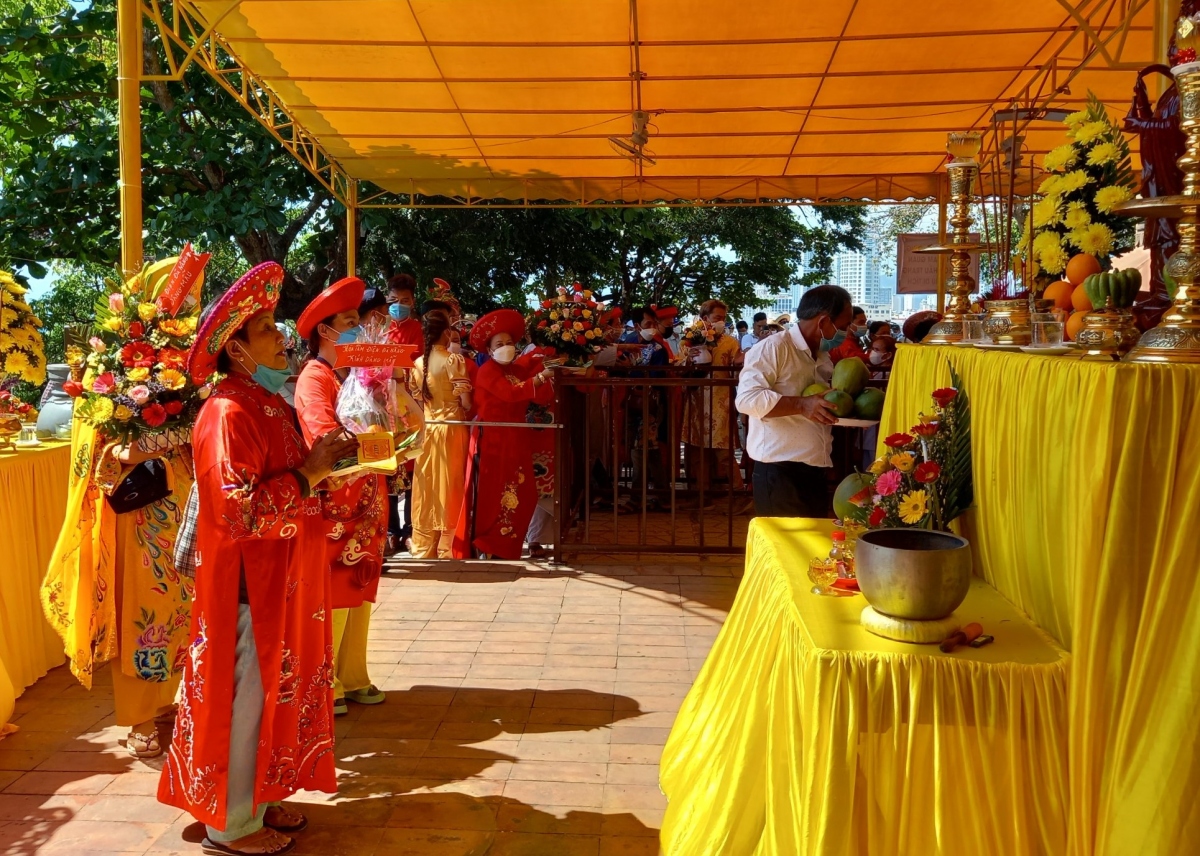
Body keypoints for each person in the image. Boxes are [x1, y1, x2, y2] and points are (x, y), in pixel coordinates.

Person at [160, 262, 359, 856]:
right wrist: (310, 472)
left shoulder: (264, 401)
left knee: (276, 692)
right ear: (236, 349)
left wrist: (333, 466)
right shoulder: (227, 413)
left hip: (285, 578)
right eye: (268, 330)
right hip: (250, 584)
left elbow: (302, 476)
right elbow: (238, 513)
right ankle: (232, 824)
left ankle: (262, 795)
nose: (282, 339)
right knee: (246, 697)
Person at [43, 379, 194, 761]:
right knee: (139, 614)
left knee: (180, 610)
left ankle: (164, 701)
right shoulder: (102, 389)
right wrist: (169, 435)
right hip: (138, 517)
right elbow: (108, 455)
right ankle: (138, 719)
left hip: (182, 505)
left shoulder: (179, 377)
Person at [293, 276, 387, 717]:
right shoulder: (316, 376)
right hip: (338, 502)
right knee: (337, 589)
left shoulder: (351, 376)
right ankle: (325, 678)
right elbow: (324, 438)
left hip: (365, 497)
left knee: (361, 585)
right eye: (351, 322)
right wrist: (382, 446)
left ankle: (352, 674)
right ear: (326, 332)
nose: (360, 330)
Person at [735, 284, 854, 517]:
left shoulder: (822, 355)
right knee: (783, 549)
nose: (847, 332)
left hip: (814, 466)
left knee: (808, 549)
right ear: (823, 322)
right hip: (779, 472)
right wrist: (802, 404)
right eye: (844, 325)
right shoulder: (773, 348)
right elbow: (747, 399)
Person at [453, 309, 555, 560]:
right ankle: (488, 545)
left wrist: (544, 362)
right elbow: (511, 394)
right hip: (493, 440)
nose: (506, 347)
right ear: (489, 349)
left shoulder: (517, 369)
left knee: (524, 493)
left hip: (517, 438)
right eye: (499, 344)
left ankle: (506, 546)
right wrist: (541, 376)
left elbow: (538, 394)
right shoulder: (487, 371)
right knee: (493, 495)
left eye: (509, 342)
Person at [410, 309, 473, 558]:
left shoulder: (417, 364)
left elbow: (416, 400)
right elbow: (466, 402)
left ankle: (423, 547)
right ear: (446, 332)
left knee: (426, 488)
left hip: (427, 430)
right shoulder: (453, 360)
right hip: (451, 429)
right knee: (451, 485)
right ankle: (448, 547)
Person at [361, 286, 415, 556]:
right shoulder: (356, 344)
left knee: (389, 482)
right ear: (375, 314)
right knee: (375, 483)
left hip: (386, 419)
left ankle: (386, 538)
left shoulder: (386, 343)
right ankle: (384, 538)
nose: (388, 315)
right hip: (366, 422)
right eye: (385, 310)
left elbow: (400, 380)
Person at [681, 299, 744, 495]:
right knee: (697, 453)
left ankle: (738, 493)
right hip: (697, 402)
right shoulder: (689, 340)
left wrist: (740, 363)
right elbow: (678, 366)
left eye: (724, 319)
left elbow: (735, 373)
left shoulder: (731, 342)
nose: (721, 322)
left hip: (721, 403)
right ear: (704, 318)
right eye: (718, 318)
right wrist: (688, 360)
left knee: (724, 452)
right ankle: (702, 495)